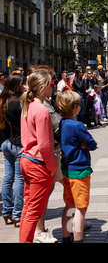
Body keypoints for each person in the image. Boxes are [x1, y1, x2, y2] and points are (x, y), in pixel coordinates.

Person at [19, 70, 58, 243]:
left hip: (27, 159)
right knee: (33, 210)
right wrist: (52, 167)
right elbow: (44, 144)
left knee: (28, 208)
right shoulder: (41, 110)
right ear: (43, 88)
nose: (54, 86)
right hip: (38, 163)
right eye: (51, 84)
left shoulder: (28, 106)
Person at [55, 91, 97, 243]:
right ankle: (78, 239)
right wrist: (87, 144)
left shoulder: (62, 123)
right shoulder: (78, 125)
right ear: (75, 107)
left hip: (66, 169)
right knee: (81, 208)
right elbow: (92, 143)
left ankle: (66, 237)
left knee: (69, 205)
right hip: (79, 170)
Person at [0, 73, 26, 228]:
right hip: (18, 144)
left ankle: (7, 211)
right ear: (18, 86)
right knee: (19, 179)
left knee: (8, 178)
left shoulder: (3, 101)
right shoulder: (19, 103)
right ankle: (17, 214)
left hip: (6, 143)